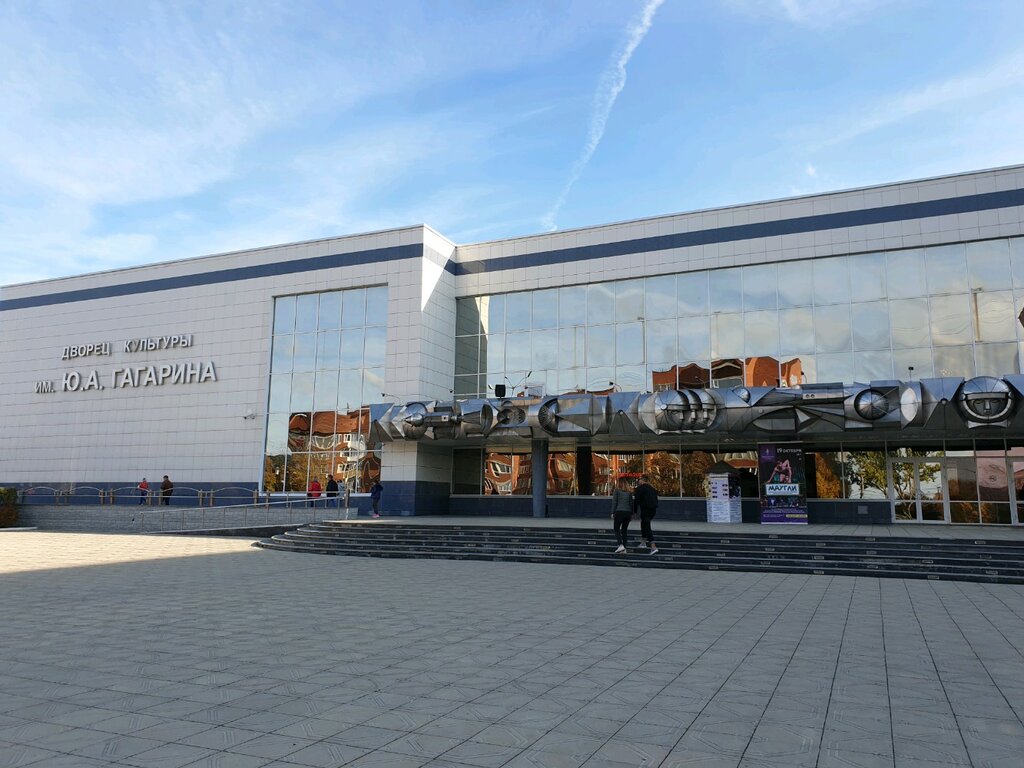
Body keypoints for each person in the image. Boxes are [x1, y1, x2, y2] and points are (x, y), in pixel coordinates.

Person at [633, 474, 659, 555]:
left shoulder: (640, 488)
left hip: (645, 510)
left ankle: (653, 547)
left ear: (643, 480)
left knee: (647, 527)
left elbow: (636, 500)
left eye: (639, 479)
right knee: (644, 524)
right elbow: (656, 499)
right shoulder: (652, 488)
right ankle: (643, 542)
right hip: (653, 510)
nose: (638, 481)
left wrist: (634, 511)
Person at [610, 478, 633, 554]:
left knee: (616, 528)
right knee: (624, 530)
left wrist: (612, 512)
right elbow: (631, 503)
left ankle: (620, 545)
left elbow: (614, 502)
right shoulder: (629, 492)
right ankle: (624, 548)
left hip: (619, 512)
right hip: (628, 513)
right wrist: (631, 514)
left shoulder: (617, 491)